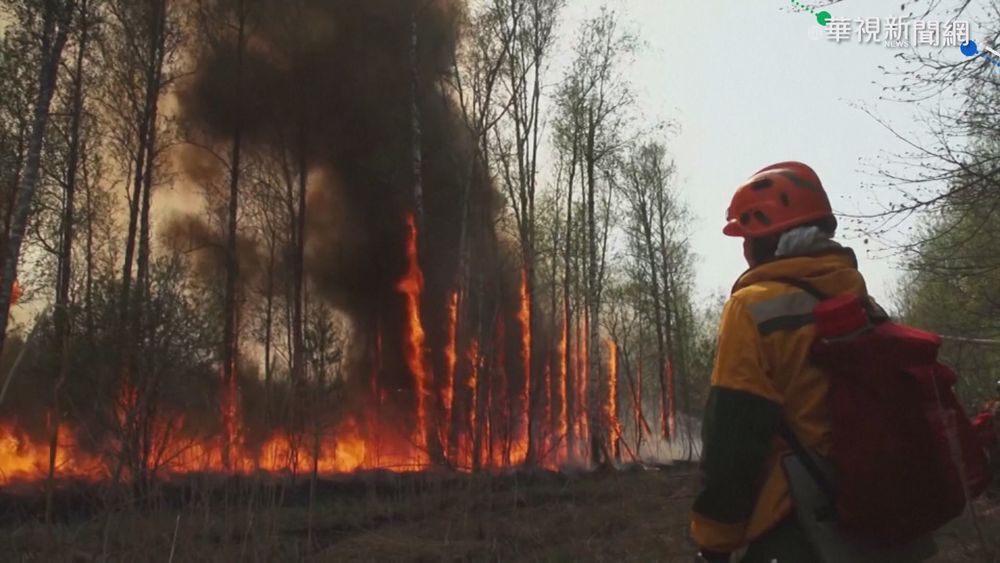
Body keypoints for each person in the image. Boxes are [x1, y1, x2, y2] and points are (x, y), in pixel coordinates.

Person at [691, 162, 871, 563]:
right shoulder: (860, 303)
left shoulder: (752, 309)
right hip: (877, 519)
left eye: (747, 235)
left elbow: (732, 439)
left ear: (765, 238)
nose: (743, 248)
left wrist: (716, 541)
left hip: (796, 529)